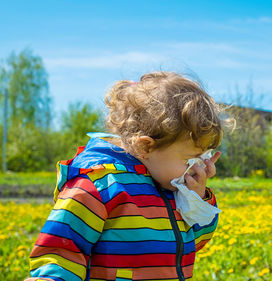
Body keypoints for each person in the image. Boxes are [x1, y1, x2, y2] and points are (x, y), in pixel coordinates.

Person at [26, 71, 226, 281]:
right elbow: (61, 250)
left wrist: (197, 198)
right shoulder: (100, 185)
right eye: (190, 160)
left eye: (203, 158)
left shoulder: (173, 185)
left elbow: (197, 241)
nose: (198, 168)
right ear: (146, 147)